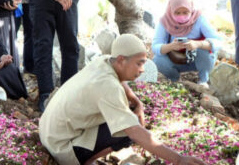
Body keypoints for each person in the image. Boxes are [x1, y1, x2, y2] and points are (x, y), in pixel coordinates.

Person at [39, 34, 206, 165]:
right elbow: (134, 130)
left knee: (129, 114)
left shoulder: (104, 61)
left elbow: (120, 80)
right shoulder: (108, 86)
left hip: (50, 132)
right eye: (139, 63)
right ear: (121, 60)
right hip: (62, 147)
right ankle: (86, 161)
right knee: (129, 130)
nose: (142, 70)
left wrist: (137, 103)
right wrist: (179, 159)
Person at [152, 0, 221, 86]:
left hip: (198, 59)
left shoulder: (199, 19)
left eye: (185, 12)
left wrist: (198, 44)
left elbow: (218, 41)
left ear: (191, 10)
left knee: (205, 50)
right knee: (157, 59)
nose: (182, 16)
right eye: (177, 13)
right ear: (171, 11)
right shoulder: (165, 21)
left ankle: (203, 79)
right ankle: (174, 80)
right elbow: (155, 46)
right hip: (175, 58)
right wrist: (170, 46)